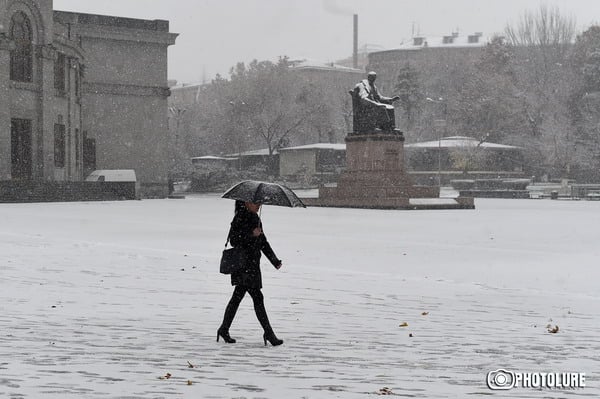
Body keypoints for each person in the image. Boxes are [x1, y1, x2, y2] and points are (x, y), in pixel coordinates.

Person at [217, 200, 284, 346]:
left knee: (237, 297)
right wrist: (251, 234)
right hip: (242, 265)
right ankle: (269, 333)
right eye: (255, 202)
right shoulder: (239, 217)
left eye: (259, 202)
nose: (258, 204)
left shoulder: (255, 218)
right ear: (246, 203)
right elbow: (234, 240)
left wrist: (275, 260)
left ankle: (224, 328)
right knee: (257, 298)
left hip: (253, 265)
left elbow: (263, 242)